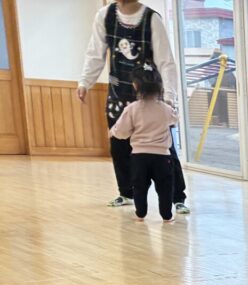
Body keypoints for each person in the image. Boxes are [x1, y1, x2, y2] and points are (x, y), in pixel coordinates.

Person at [78, 0, 190, 214]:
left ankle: (177, 197)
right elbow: (95, 53)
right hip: (118, 95)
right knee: (119, 146)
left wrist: (169, 97)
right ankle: (127, 193)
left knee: (165, 148)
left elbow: (166, 61)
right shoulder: (105, 16)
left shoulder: (151, 19)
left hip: (150, 97)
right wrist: (85, 82)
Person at [109, 65, 178, 222]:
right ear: (160, 86)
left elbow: (121, 131)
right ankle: (167, 215)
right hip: (162, 157)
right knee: (165, 187)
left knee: (139, 186)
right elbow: (174, 120)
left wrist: (113, 132)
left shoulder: (132, 109)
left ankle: (140, 214)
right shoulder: (165, 108)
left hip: (139, 156)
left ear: (135, 85)